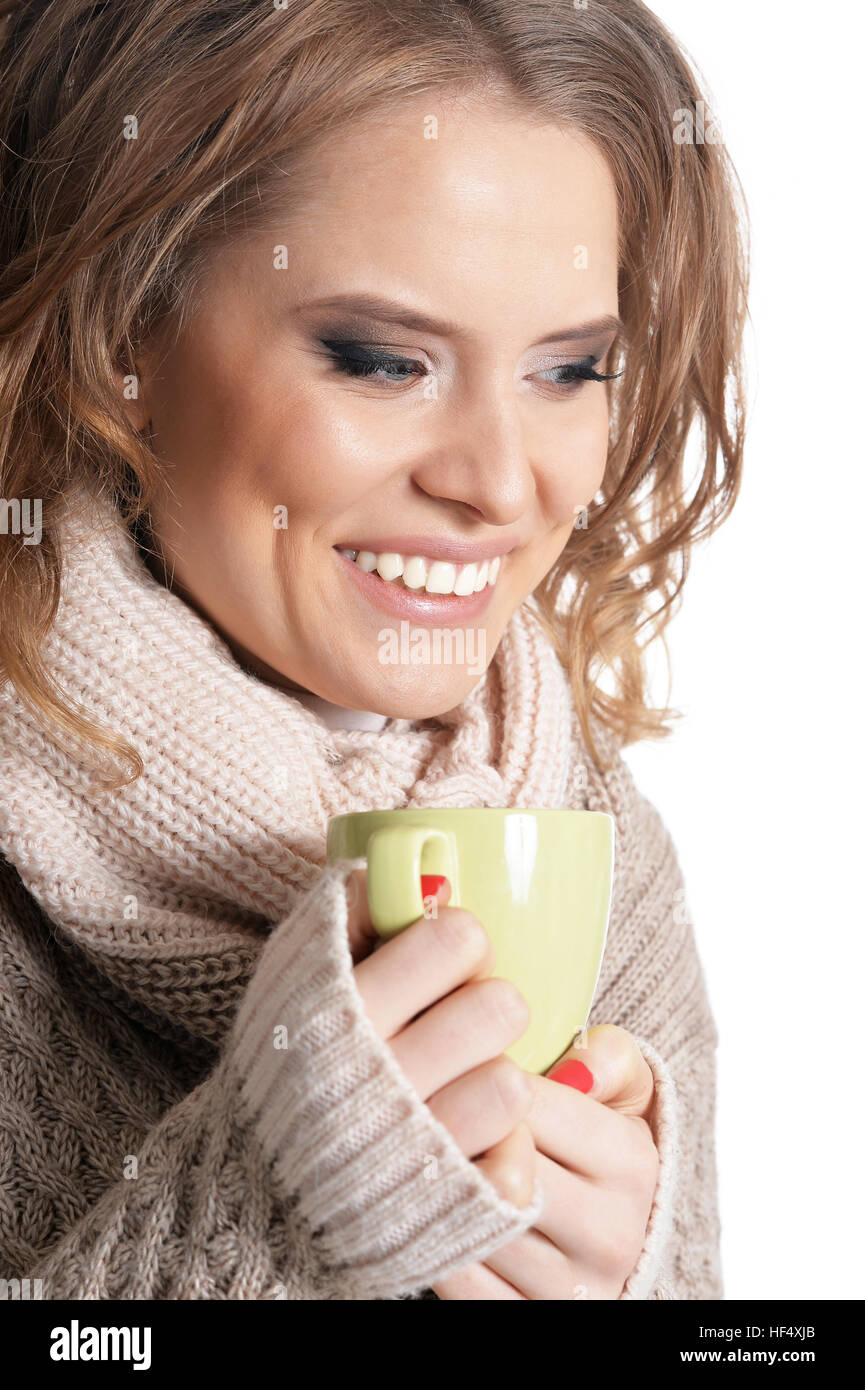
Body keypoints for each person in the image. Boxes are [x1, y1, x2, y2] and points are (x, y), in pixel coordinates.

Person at [0, 0, 747, 1300]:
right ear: (120, 336)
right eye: (381, 359)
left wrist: (658, 1295)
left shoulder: (602, 856)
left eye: (569, 372)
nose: (501, 484)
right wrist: (255, 1210)